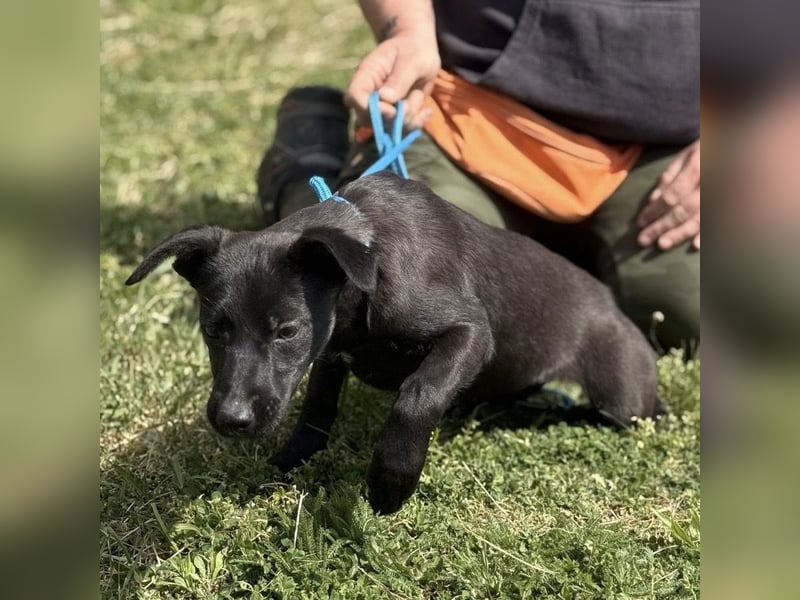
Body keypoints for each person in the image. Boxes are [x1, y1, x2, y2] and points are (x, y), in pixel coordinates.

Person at [257, 0, 700, 351]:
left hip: (676, 144)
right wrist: (406, 29)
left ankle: (572, 259)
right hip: (468, 118)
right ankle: (309, 164)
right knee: (409, 309)